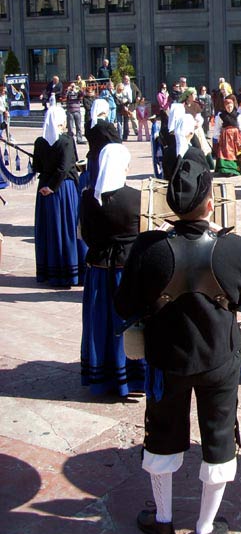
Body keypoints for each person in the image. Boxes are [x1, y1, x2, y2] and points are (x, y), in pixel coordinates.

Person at [114, 156, 241, 534]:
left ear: (170, 204)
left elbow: (123, 305)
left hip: (167, 359)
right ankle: (204, 529)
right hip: (220, 361)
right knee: (219, 439)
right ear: (209, 204)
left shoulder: (148, 249)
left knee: (162, 438)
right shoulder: (237, 248)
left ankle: (163, 521)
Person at [79, 144, 145, 396]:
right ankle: (131, 377)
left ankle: (101, 374)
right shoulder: (135, 197)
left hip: (97, 268)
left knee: (101, 322)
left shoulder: (88, 197)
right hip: (125, 270)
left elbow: (85, 234)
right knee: (128, 322)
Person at [32, 106, 85, 287]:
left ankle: (49, 271)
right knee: (68, 227)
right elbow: (65, 168)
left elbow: (36, 167)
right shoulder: (66, 140)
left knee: (49, 229)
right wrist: (53, 187)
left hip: (44, 189)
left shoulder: (39, 142)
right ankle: (70, 271)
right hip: (63, 189)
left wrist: (47, 185)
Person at [85, 98, 122, 189]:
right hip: (105, 160)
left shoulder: (88, 124)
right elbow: (118, 142)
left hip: (92, 158)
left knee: (93, 185)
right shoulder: (107, 126)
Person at [212, 94, 241, 176]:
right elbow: (217, 127)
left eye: (230, 106)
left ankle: (236, 169)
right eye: (227, 106)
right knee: (225, 153)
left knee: (236, 153)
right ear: (225, 106)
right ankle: (226, 170)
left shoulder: (238, 115)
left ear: (233, 105)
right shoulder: (221, 116)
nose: (229, 107)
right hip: (225, 138)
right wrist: (216, 137)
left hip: (236, 138)